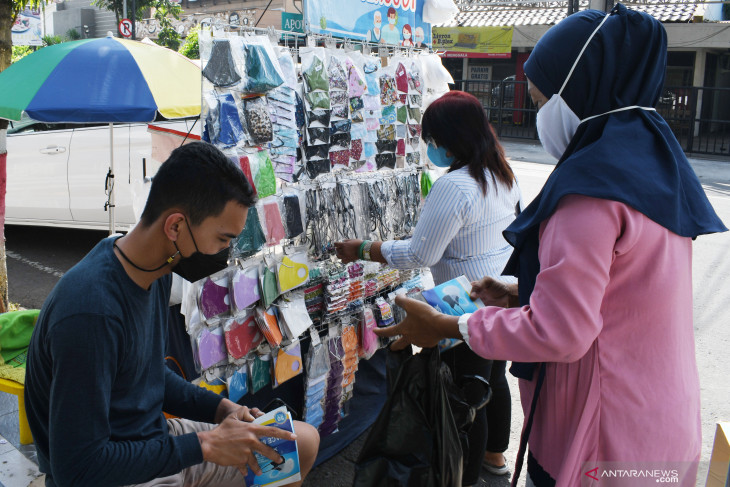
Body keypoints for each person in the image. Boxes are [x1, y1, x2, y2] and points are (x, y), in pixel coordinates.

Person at [373, 5, 727, 487]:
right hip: (662, 428)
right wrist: (524, 293)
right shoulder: (655, 168)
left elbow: (561, 333)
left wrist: (448, 325)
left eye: (542, 100)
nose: (540, 116)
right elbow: (624, 293)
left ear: (581, 91)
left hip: (602, 442)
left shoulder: (590, 192)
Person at [24, 141, 320, 487]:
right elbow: (78, 469)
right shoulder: (92, 311)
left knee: (300, 443)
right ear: (175, 226)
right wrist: (206, 445)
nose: (226, 254)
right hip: (113, 469)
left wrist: (220, 409)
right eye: (223, 239)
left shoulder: (156, 272)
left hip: (153, 438)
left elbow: (148, 376)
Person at [335, 90, 521, 486]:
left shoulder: (455, 186)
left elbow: (421, 253)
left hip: (463, 302)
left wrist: (363, 248)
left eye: (432, 139)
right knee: (493, 378)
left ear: (450, 137)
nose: (430, 147)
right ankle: (494, 459)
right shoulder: (501, 172)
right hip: (500, 296)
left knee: (464, 399)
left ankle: (462, 475)